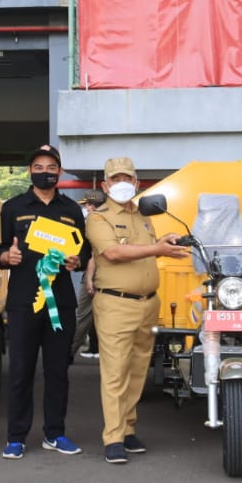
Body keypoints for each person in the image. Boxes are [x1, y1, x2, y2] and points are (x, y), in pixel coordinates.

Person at [86, 157, 188, 465]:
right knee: (115, 373)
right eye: (114, 179)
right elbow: (114, 252)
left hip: (147, 303)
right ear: (104, 185)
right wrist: (157, 249)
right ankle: (113, 437)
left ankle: (128, 429)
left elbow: (140, 249)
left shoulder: (144, 216)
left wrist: (160, 240)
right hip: (116, 303)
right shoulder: (98, 218)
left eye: (126, 178)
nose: (121, 183)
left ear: (137, 183)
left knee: (136, 372)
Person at [0, 145, 89, 459]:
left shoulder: (72, 210)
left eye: (51, 166)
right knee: (20, 370)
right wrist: (7, 256)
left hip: (60, 303)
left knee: (58, 371)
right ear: (29, 171)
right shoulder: (13, 207)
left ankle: (55, 433)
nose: (45, 171)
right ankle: (16, 437)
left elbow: (85, 250)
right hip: (23, 302)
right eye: (38, 166)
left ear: (59, 172)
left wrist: (77, 261)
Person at [69, 188, 105, 361]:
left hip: (95, 275)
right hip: (110, 277)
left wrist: (89, 279)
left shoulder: (92, 224)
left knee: (82, 316)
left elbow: (92, 255)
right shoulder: (110, 222)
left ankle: (66, 353)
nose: (86, 209)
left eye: (87, 206)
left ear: (92, 206)